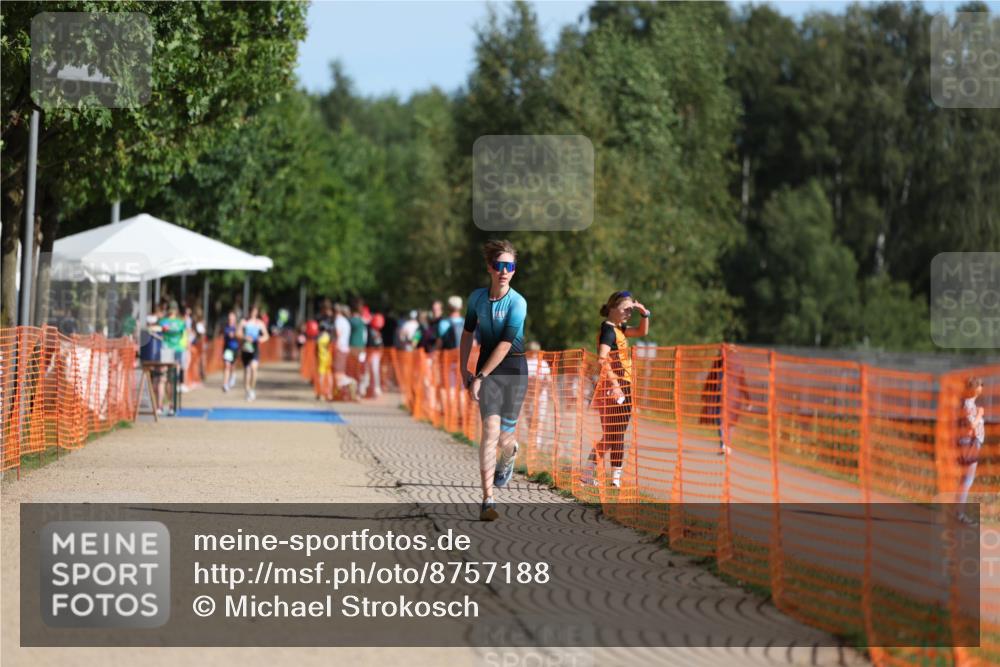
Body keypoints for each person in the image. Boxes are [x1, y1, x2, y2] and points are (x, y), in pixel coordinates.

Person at [459, 240, 528, 521]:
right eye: (499, 266)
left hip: (513, 371)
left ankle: (510, 454)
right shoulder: (476, 298)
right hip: (488, 374)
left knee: (505, 439)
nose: (504, 271)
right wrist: (465, 368)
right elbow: (467, 334)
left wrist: (480, 375)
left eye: (509, 266)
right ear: (490, 267)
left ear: (514, 270)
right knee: (489, 432)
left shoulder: (518, 302)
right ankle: (488, 499)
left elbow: (504, 343)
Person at [581, 291, 650, 489]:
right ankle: (613, 479)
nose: (629, 313)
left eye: (631, 310)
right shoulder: (609, 330)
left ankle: (596, 474)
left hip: (622, 385)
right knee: (615, 434)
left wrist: (644, 314)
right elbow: (602, 358)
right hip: (615, 387)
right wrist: (615, 385)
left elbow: (641, 332)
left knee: (614, 434)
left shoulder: (618, 328)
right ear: (612, 308)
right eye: (625, 309)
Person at [956, 376, 986, 525]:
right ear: (975, 388)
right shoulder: (968, 405)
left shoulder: (970, 404)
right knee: (967, 480)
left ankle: (958, 513)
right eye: (980, 385)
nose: (982, 387)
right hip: (969, 444)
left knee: (965, 480)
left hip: (971, 444)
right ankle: (959, 515)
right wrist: (980, 414)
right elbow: (971, 426)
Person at [156, 301, 187, 415]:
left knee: (162, 379)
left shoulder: (163, 322)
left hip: (166, 350)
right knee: (172, 380)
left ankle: (159, 407)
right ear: (176, 310)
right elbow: (182, 335)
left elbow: (157, 331)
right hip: (177, 350)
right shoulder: (181, 323)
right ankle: (171, 406)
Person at [238, 305, 270, 401]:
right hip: (246, 349)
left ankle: (252, 389)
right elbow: (237, 333)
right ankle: (247, 390)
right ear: (249, 312)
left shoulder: (259, 323)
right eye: (252, 311)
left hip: (255, 349)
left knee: (254, 368)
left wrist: (260, 339)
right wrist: (245, 337)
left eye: (255, 311)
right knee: (247, 371)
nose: (253, 313)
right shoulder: (244, 322)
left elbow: (266, 336)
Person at [525, 341, 552, 448]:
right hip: (528, 396)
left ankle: (537, 441)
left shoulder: (543, 363)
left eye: (534, 351)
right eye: (531, 351)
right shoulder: (524, 363)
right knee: (529, 418)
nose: (533, 353)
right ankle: (532, 437)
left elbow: (549, 380)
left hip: (541, 396)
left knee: (539, 418)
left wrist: (543, 385)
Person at [333, 304, 357, 400]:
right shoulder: (346, 321)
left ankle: (350, 382)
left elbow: (338, 334)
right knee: (340, 372)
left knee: (338, 373)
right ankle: (342, 394)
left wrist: (335, 345)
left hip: (340, 348)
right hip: (344, 348)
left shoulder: (339, 320)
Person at [362, 313, 385, 398]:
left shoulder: (377, 331)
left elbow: (379, 343)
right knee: (366, 372)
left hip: (375, 354)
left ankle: (375, 389)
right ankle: (364, 389)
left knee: (375, 372)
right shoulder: (368, 329)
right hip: (368, 353)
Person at [221, 311, 240, 392]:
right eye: (229, 318)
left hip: (235, 349)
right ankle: (225, 384)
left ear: (235, 319)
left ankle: (233, 376)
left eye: (232, 318)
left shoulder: (238, 327)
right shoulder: (226, 327)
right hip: (228, 349)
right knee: (227, 365)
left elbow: (240, 336)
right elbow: (226, 335)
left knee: (232, 366)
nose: (230, 319)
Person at [315, 321, 333, 400]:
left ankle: (321, 393)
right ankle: (328, 393)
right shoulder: (328, 337)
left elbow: (316, 349)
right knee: (329, 376)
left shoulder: (319, 338)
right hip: (328, 358)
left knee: (321, 377)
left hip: (321, 358)